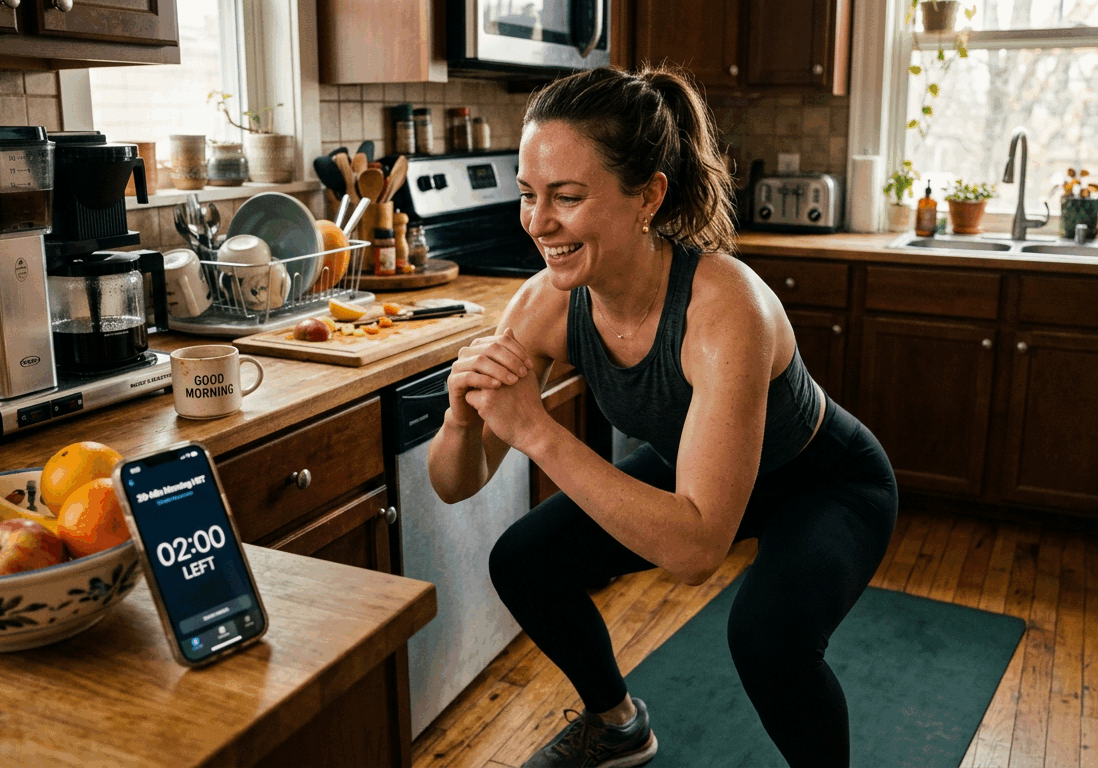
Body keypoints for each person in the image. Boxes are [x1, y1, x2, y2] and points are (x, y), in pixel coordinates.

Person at [427, 64, 898, 768]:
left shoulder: (725, 308)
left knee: (768, 638)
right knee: (523, 560)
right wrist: (462, 421)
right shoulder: (546, 304)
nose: (539, 222)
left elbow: (694, 553)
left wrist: (535, 431)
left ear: (647, 196)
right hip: (697, 463)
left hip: (824, 479)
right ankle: (617, 725)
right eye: (528, 196)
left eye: (568, 196)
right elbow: (454, 484)